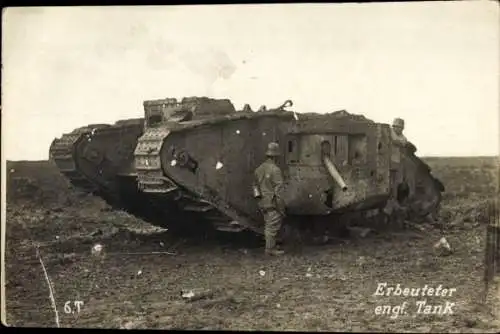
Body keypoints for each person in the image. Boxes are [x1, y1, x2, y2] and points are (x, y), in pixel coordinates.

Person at [253, 142, 286, 256]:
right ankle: (270, 249)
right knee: (272, 226)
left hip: (263, 201)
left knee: (269, 223)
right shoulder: (276, 170)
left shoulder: (259, 169)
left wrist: (258, 199)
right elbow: (279, 191)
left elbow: (255, 186)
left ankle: (271, 246)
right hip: (273, 202)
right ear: (276, 156)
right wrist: (281, 207)